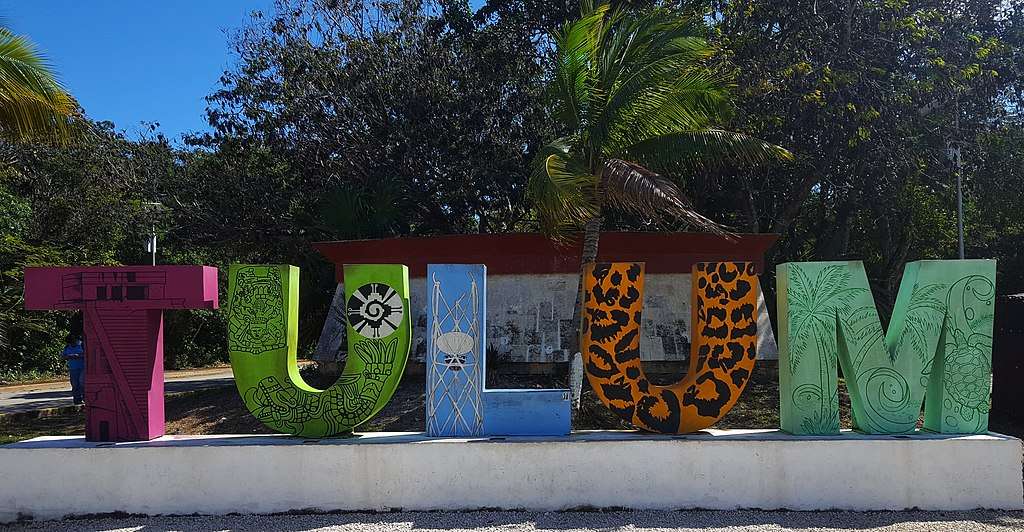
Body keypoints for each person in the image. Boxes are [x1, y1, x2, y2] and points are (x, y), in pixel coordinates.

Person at [61, 334, 86, 405]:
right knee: (75, 385)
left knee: (82, 383)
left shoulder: (82, 345)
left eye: (73, 342)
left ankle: (85, 398)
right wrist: (68, 356)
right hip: (73, 368)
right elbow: (63, 356)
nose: (72, 344)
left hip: (83, 368)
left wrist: (77, 355)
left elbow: (87, 354)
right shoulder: (67, 347)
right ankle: (77, 400)